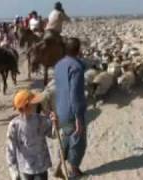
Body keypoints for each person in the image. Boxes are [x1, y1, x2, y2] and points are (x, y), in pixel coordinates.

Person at [6, 89, 57, 180]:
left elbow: (53, 135)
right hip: (26, 168)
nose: (36, 105)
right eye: (32, 103)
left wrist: (55, 124)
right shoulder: (14, 125)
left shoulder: (40, 120)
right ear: (24, 107)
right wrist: (14, 172)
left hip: (42, 165)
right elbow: (10, 150)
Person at [54, 38, 87, 178]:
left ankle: (61, 165)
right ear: (78, 50)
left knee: (67, 137)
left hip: (60, 107)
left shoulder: (58, 64)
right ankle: (73, 171)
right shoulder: (76, 68)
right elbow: (75, 94)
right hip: (72, 111)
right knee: (78, 141)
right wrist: (79, 117)